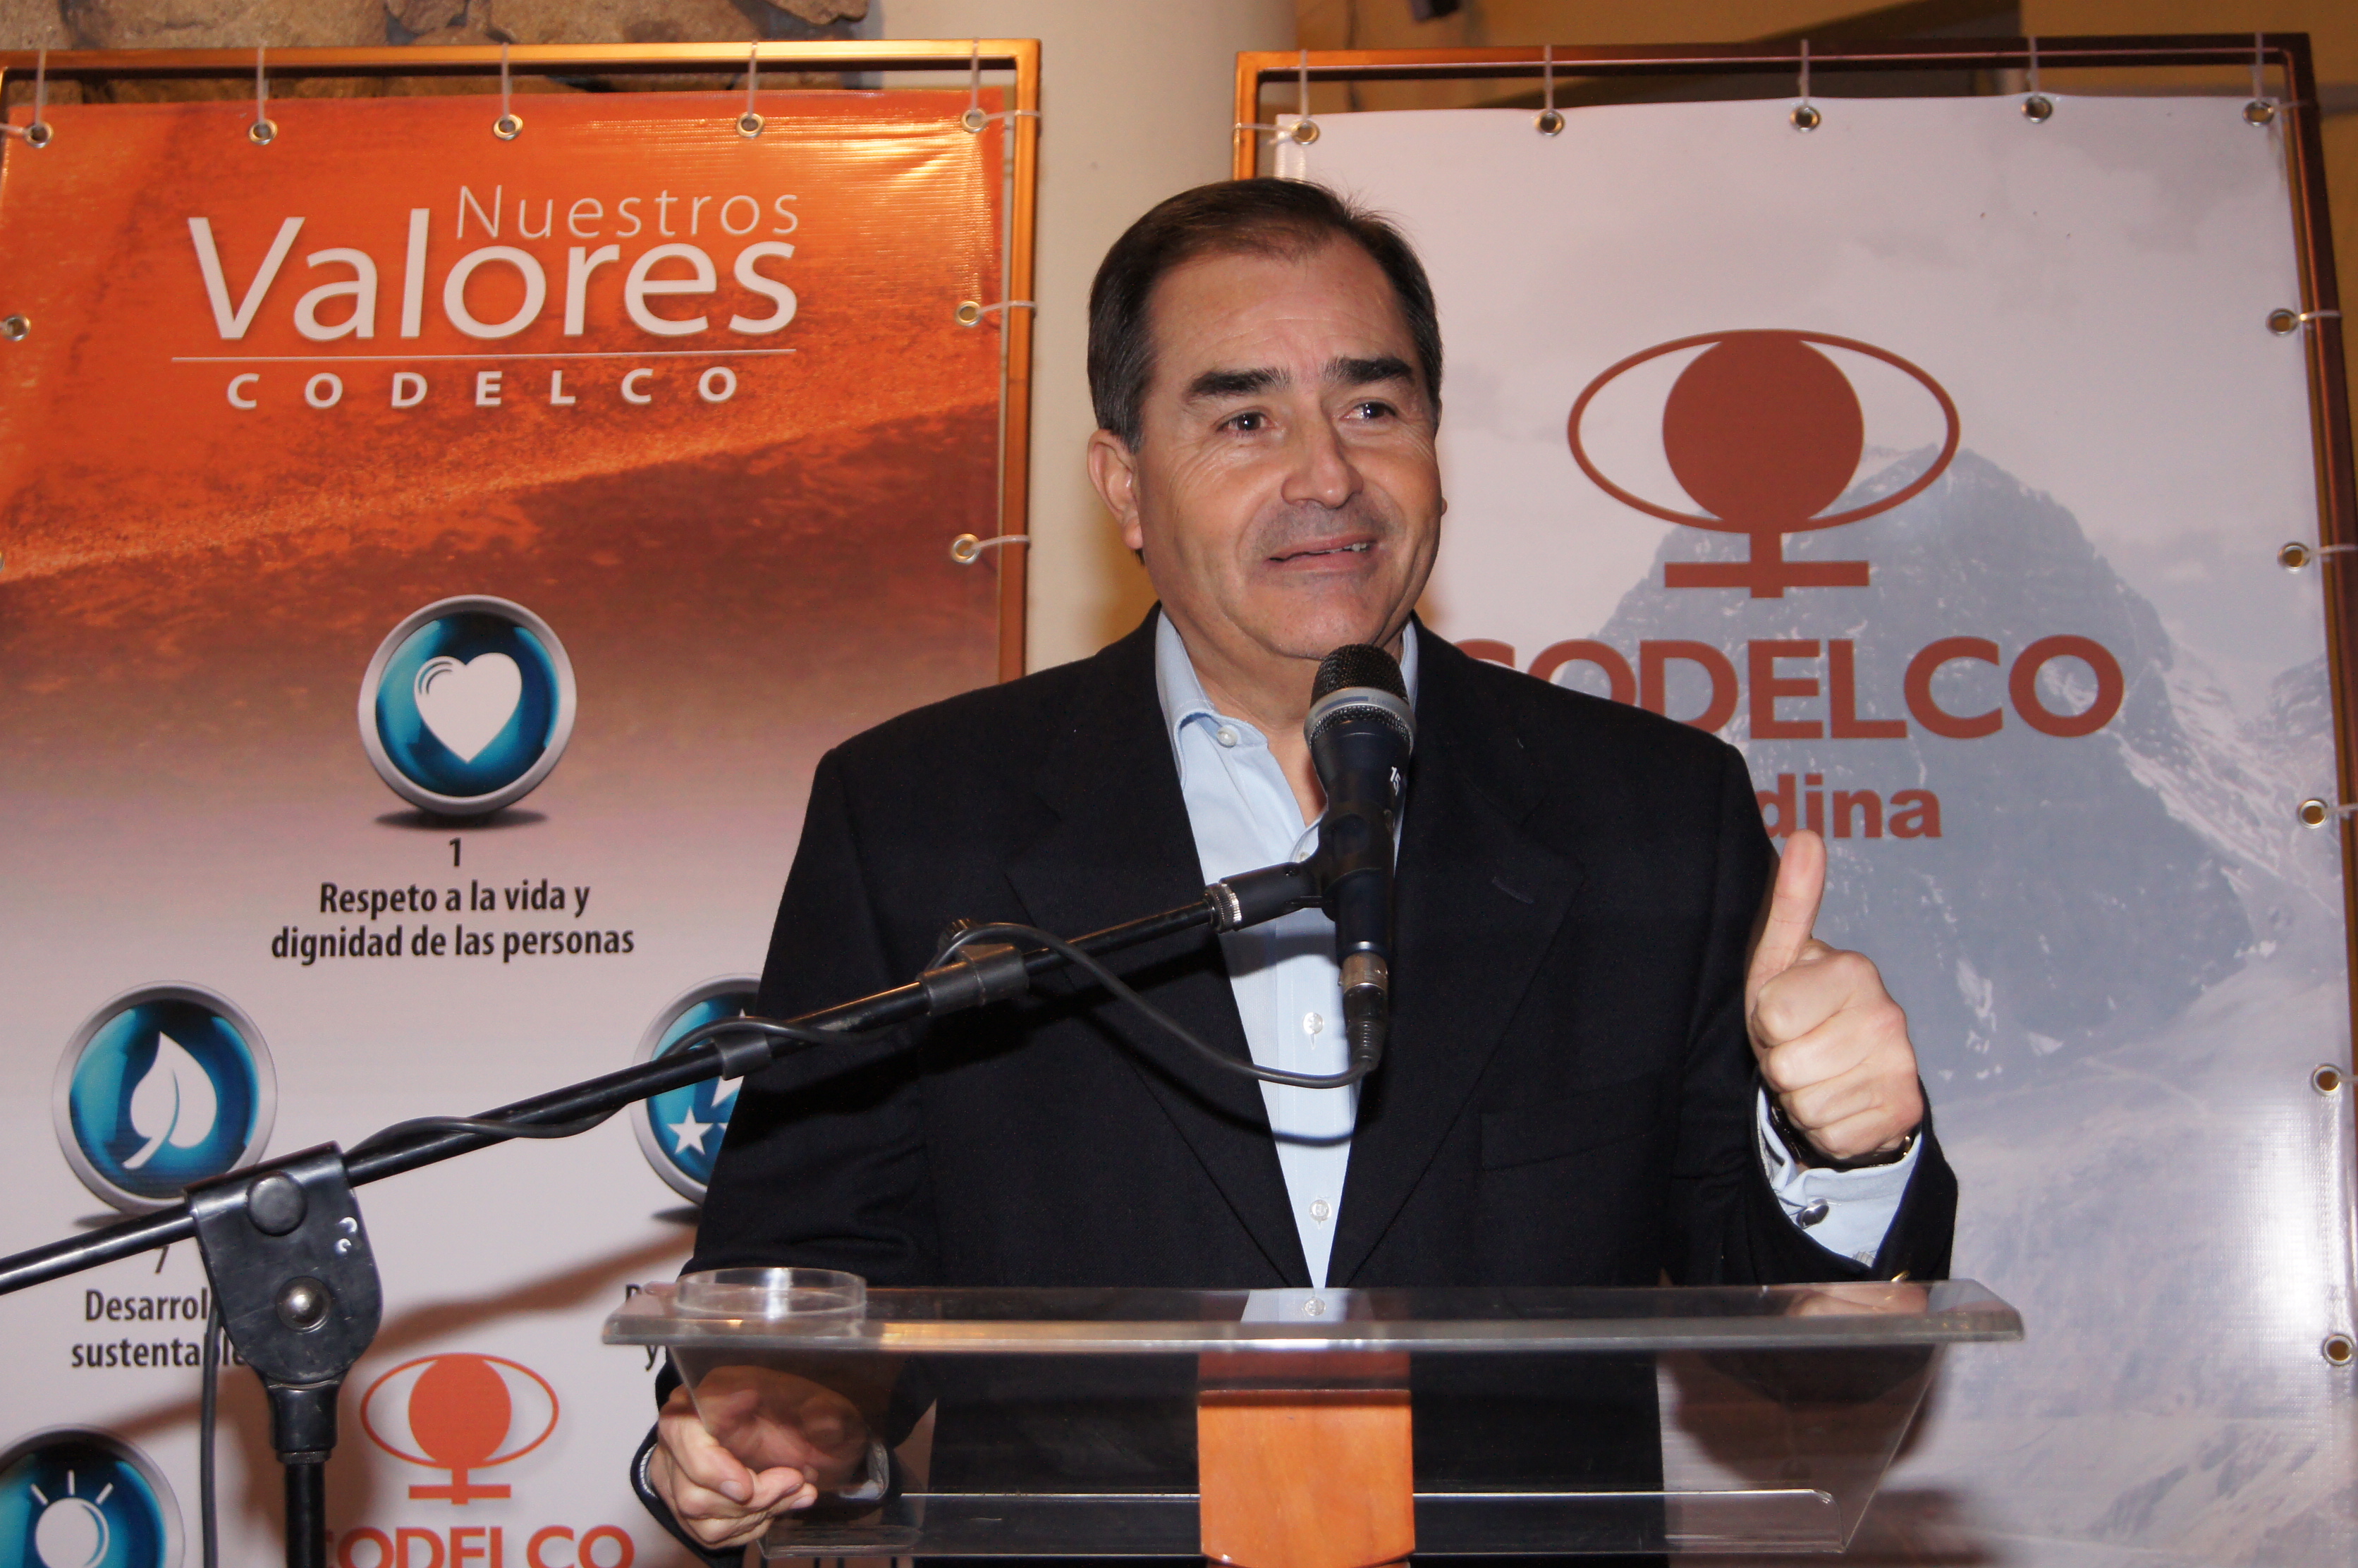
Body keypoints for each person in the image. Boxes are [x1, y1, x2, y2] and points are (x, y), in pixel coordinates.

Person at [638, 179, 1957, 1553]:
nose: (1327, 474)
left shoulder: (1649, 813)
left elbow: (1811, 1355)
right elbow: (814, 1267)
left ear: (1436, 444)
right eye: (1245, 418)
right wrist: (782, 1419)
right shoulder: (919, 813)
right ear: (1123, 484)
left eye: (1373, 407)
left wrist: (1849, 1151)